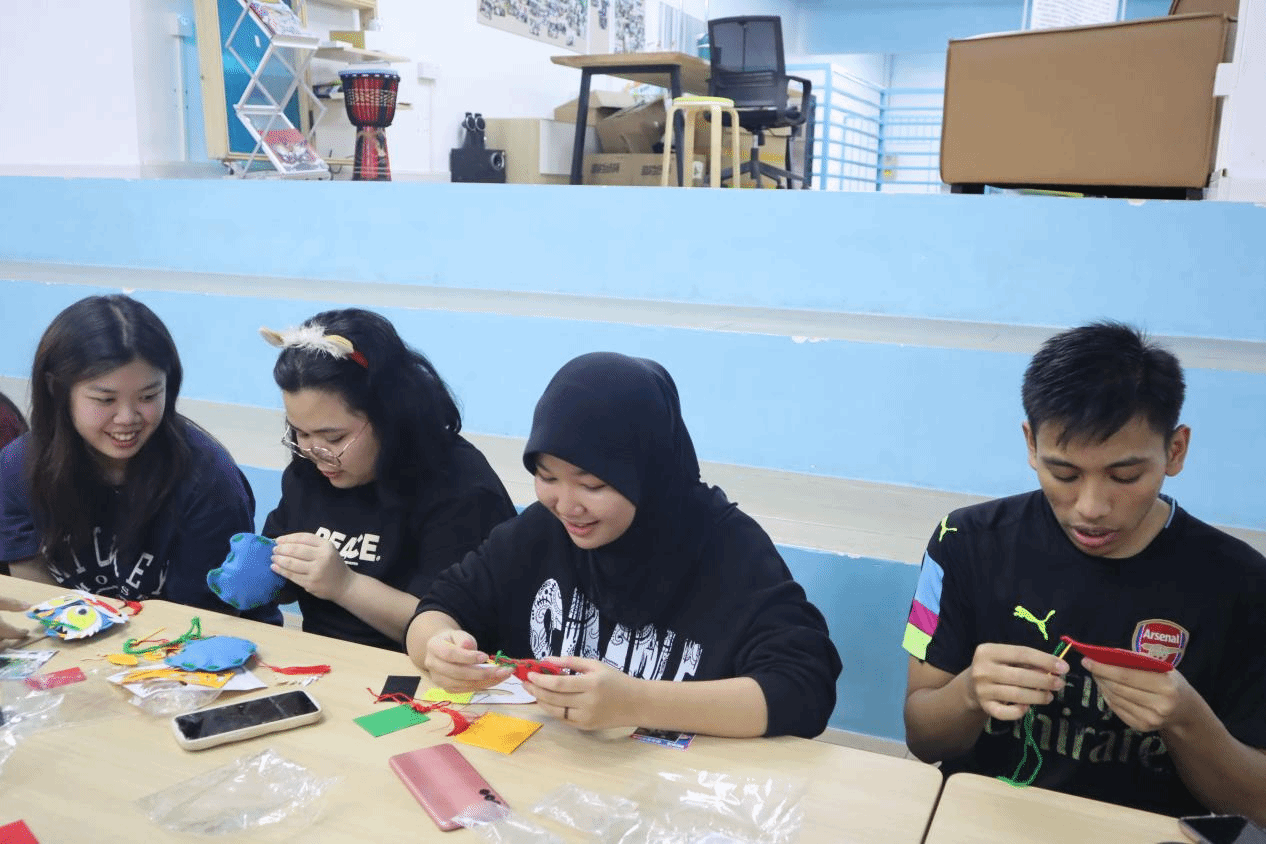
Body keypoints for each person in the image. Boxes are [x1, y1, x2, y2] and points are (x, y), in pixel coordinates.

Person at [901, 321, 1266, 821]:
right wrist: (968, 694)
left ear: (1175, 451)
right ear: (1031, 445)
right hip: (990, 824)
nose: (1091, 508)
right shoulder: (960, 542)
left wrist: (1186, 720)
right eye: (1064, 474)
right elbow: (921, 738)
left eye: (1125, 476)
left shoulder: (1244, 585)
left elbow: (1258, 806)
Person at [406, 351, 842, 738]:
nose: (567, 506)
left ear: (646, 471)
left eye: (592, 484)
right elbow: (439, 606)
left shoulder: (727, 548)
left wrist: (636, 702)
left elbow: (803, 689)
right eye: (547, 477)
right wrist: (440, 646)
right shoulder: (541, 531)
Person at [0, 295, 276, 622]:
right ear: (57, 390)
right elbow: (30, 582)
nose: (128, 418)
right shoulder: (19, 467)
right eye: (105, 400)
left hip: (191, 637)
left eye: (148, 396)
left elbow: (203, 619)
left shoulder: (209, 481)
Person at [259, 309, 516, 651]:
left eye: (334, 438)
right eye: (301, 433)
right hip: (330, 661)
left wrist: (345, 586)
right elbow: (281, 576)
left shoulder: (459, 486)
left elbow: (453, 630)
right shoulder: (309, 470)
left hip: (425, 672)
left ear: (389, 416)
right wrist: (257, 574)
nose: (315, 453)